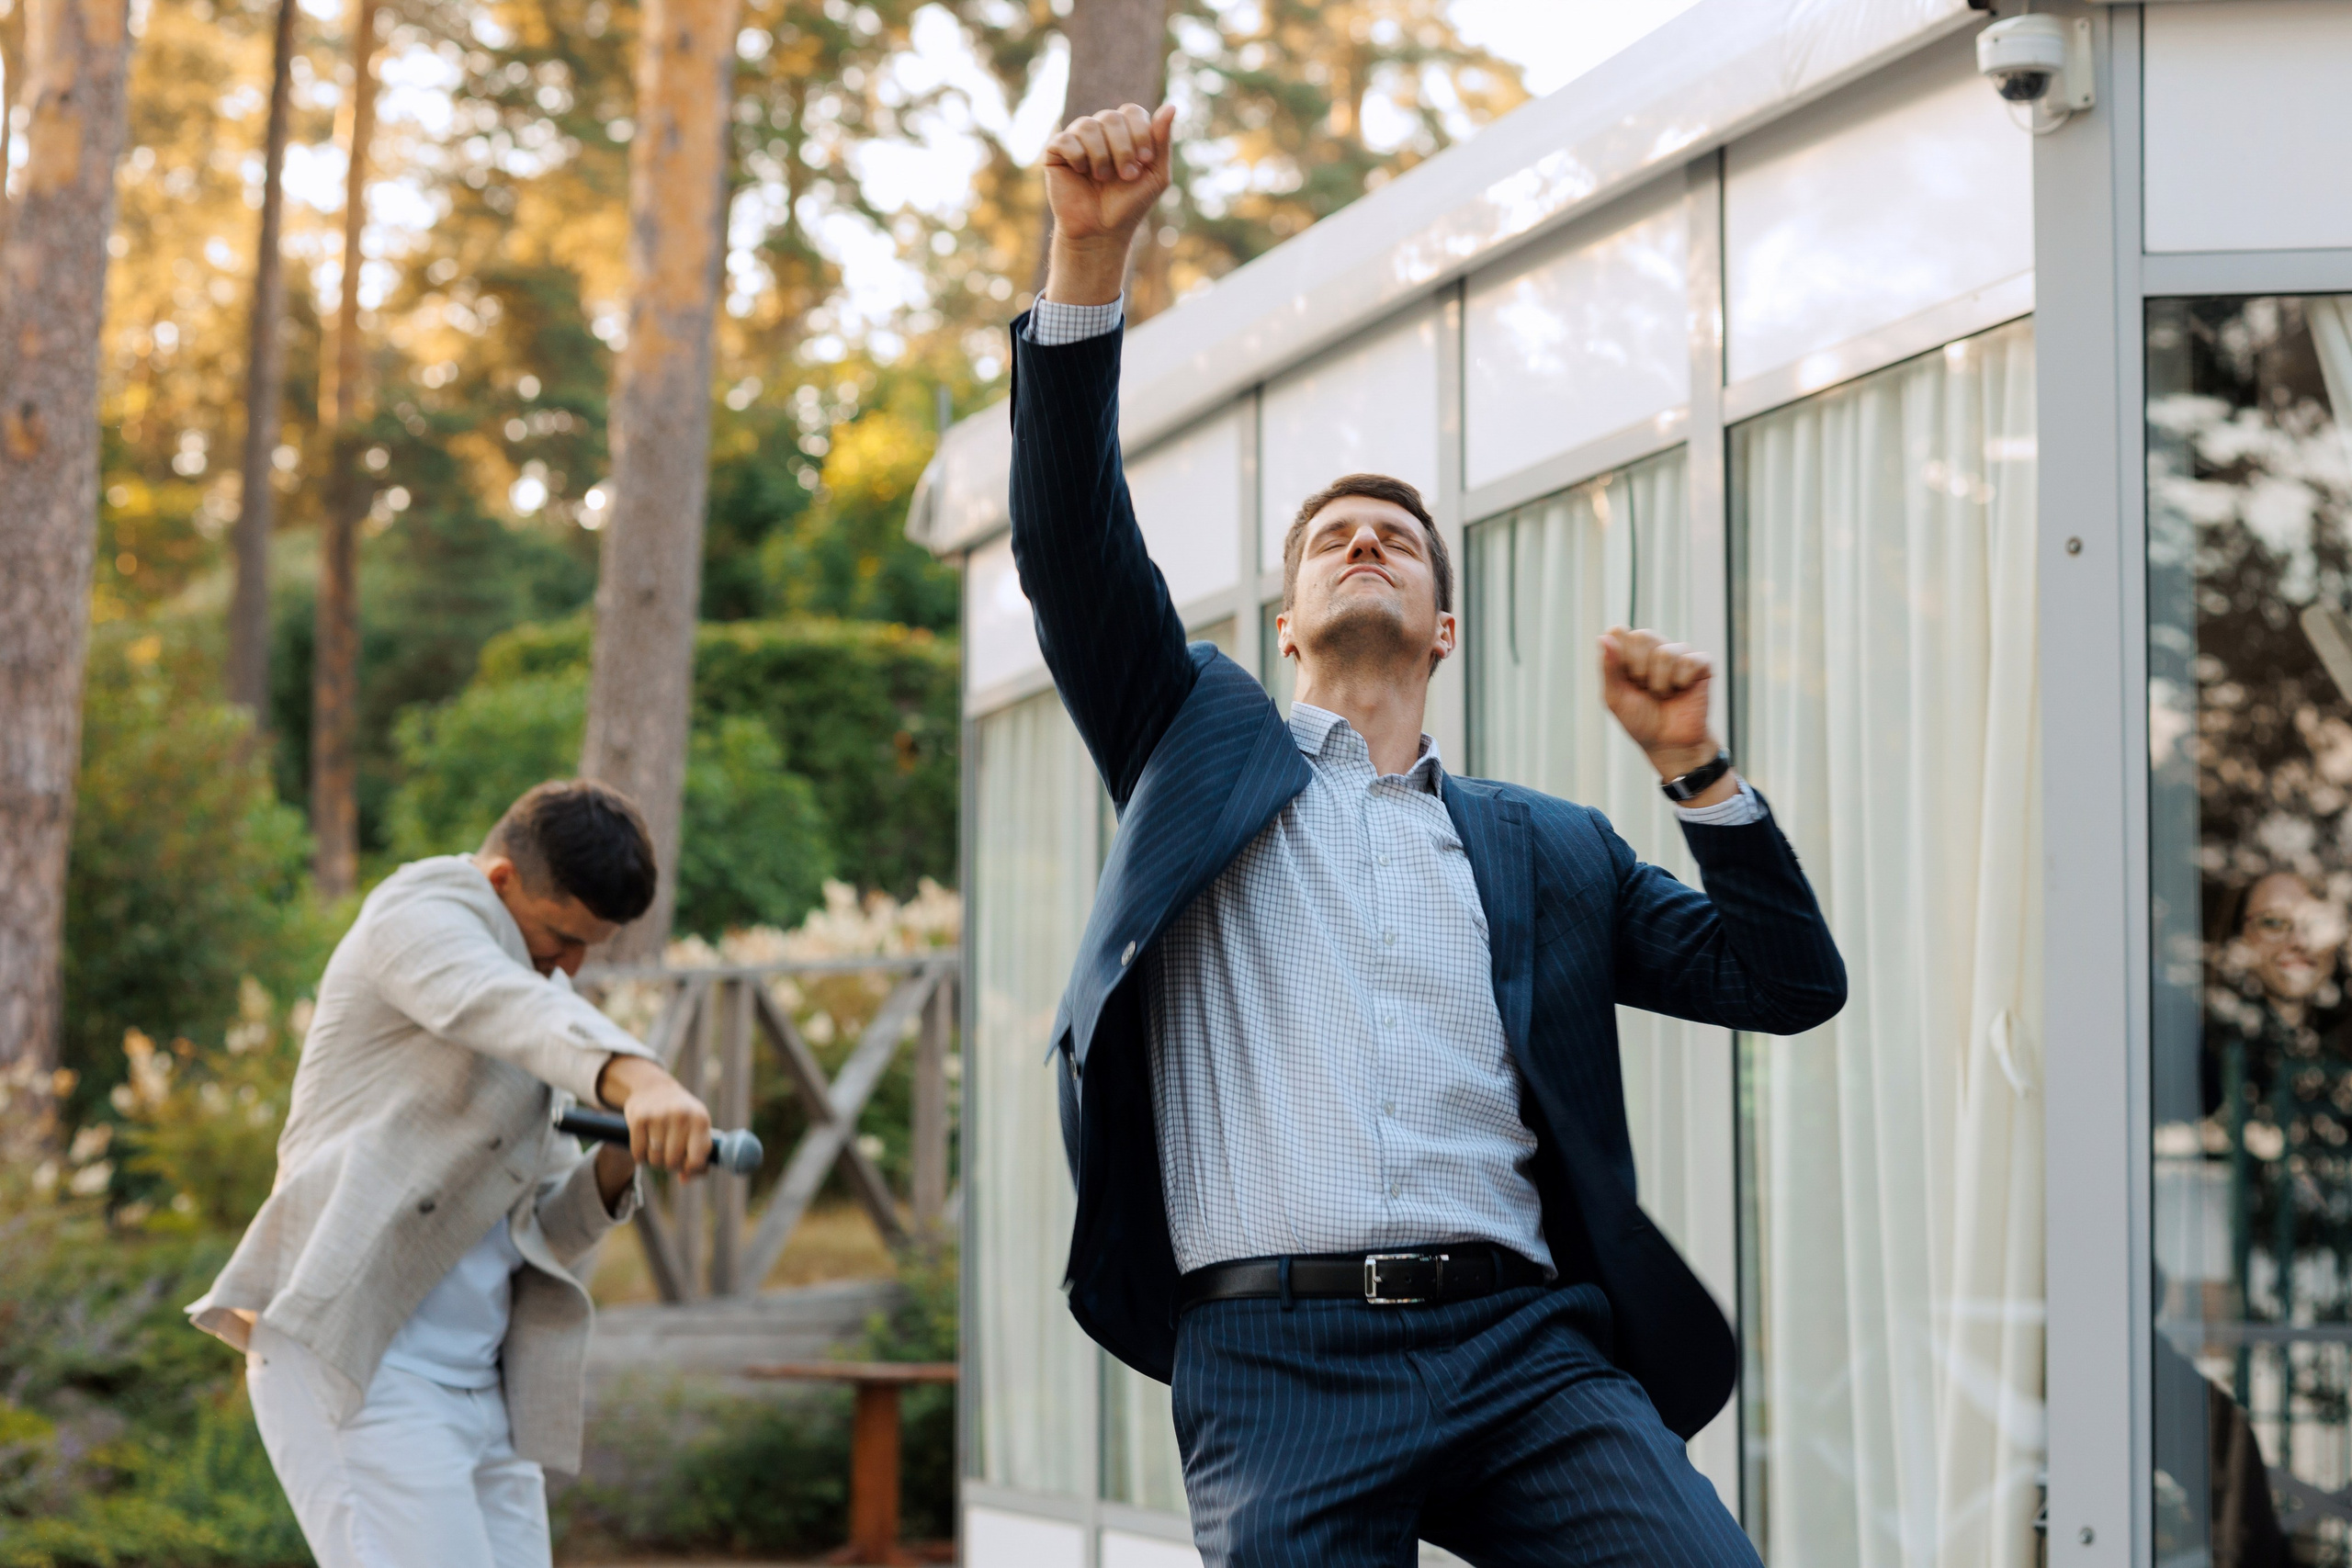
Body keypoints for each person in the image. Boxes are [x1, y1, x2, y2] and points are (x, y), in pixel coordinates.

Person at [1011, 103, 1847, 1566]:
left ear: (1443, 626)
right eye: (1330, 534)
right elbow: (1071, 543)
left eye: (1396, 536)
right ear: (1284, 624)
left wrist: (1695, 767)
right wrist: (1091, 253)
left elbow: (1785, 983)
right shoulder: (1190, 739)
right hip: (1279, 1358)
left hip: (1525, 1347)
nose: (1364, 541)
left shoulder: (1549, 845)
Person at [188, 780, 716, 1568]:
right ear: (500, 880)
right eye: (558, 935)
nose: (567, 964)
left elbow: (546, 1224)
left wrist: (621, 1154)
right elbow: (494, 1000)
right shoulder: (416, 917)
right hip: (362, 1362)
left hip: (479, 1385)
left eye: (586, 949)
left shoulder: (544, 996)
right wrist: (640, 1078)